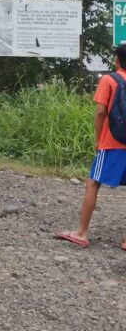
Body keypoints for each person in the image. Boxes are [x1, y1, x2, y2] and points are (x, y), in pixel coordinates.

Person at [55, 45, 126, 248]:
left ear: (117, 61)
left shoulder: (109, 80)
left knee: (93, 183)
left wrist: (98, 139)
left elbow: (100, 112)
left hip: (111, 142)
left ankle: (81, 232)